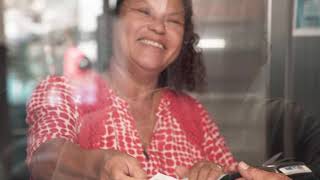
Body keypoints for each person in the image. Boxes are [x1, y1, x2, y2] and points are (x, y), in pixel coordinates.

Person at [25, 0, 291, 179]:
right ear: (113, 23)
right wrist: (97, 164)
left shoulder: (192, 112)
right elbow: (44, 159)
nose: (159, 27)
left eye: (173, 21)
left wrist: (214, 172)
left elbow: (231, 171)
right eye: (144, 11)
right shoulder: (65, 90)